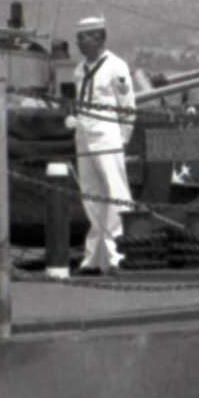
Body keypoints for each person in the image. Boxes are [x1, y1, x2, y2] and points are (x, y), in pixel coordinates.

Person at [68, 14, 136, 276]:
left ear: (99, 38)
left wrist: (123, 139)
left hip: (107, 134)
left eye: (83, 37)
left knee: (116, 192)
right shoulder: (79, 70)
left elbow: (127, 106)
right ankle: (94, 257)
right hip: (84, 134)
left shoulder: (116, 67)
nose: (79, 42)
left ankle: (117, 253)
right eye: (78, 37)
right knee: (91, 195)